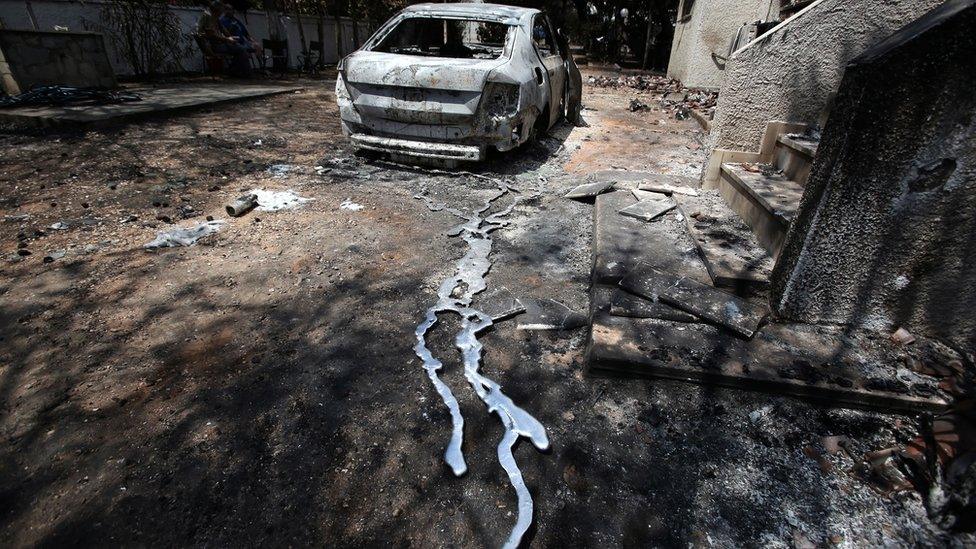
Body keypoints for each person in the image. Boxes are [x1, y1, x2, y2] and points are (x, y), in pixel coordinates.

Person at [196, 0, 250, 77]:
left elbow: (224, 30)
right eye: (221, 11)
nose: (222, 13)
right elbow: (212, 36)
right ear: (217, 10)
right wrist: (227, 39)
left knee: (239, 47)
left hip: (220, 43)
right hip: (212, 46)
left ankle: (235, 71)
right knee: (241, 49)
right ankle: (244, 73)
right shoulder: (208, 18)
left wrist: (231, 37)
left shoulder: (216, 18)